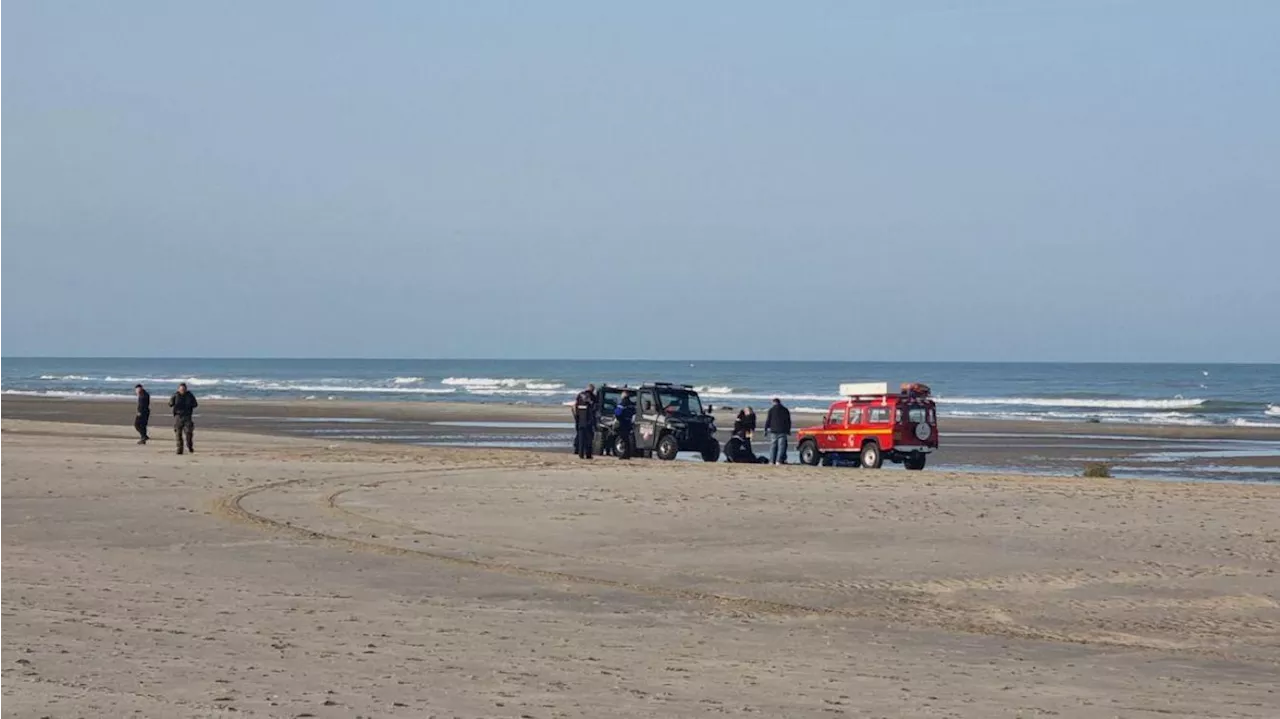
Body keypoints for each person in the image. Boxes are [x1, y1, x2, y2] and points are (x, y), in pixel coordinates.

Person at [169, 382, 198, 455]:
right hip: (178, 417)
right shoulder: (175, 395)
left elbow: (195, 404)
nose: (182, 390)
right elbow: (170, 404)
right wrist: (172, 401)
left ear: (186, 389)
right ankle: (180, 449)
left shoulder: (190, 395)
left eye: (184, 389)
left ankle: (189, 446)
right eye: (181, 389)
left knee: (188, 433)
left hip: (187, 417)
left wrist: (190, 405)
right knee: (178, 434)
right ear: (178, 389)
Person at [572, 384, 598, 459]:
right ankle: (588, 454)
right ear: (592, 390)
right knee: (589, 438)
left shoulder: (580, 395)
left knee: (580, 437)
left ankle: (580, 454)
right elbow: (595, 408)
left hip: (580, 420)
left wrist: (576, 418)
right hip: (589, 420)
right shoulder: (592, 397)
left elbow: (575, 406)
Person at [765, 398, 791, 465]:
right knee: (781, 447)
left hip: (773, 430)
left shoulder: (771, 410)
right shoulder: (785, 410)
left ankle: (771, 461)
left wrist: (766, 429)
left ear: (773, 402)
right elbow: (788, 421)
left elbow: (768, 420)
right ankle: (778, 461)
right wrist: (788, 430)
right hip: (782, 430)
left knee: (773, 446)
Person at [613, 392, 636, 459]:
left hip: (623, 422)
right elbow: (634, 412)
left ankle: (624, 454)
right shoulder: (632, 404)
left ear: (623, 396)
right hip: (629, 422)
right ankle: (628, 454)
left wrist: (618, 419)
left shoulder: (622, 403)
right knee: (627, 439)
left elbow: (618, 413)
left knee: (623, 438)